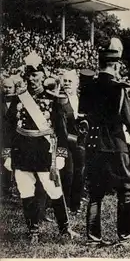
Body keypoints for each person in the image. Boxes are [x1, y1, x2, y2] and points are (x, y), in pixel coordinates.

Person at [79, 38, 130, 247]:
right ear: (116, 65)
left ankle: (93, 238)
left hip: (93, 144)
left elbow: (83, 115)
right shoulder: (119, 88)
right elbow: (129, 119)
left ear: (99, 65)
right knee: (125, 189)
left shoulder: (88, 87)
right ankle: (125, 236)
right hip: (115, 145)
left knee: (95, 193)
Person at [3, 63, 77, 244]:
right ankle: (32, 230)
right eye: (30, 76)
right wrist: (6, 153)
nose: (33, 80)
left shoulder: (54, 99)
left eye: (37, 77)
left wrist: (61, 153)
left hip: (45, 152)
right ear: (25, 78)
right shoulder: (18, 98)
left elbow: (61, 129)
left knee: (54, 190)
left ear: (44, 78)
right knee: (26, 191)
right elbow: (7, 128)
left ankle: (64, 228)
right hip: (21, 152)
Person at [59, 70, 85, 214]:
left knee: (80, 172)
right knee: (68, 172)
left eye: (70, 81)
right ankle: (66, 204)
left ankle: (76, 203)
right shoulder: (60, 100)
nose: (67, 84)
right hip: (65, 140)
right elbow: (60, 125)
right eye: (65, 81)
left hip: (81, 141)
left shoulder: (82, 99)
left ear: (76, 83)